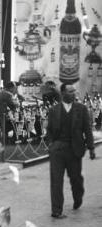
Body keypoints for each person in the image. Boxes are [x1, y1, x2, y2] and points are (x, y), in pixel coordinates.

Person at [46, 82, 95, 219]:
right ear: (62, 94)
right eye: (70, 92)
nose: (73, 94)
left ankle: (78, 198)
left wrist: (91, 147)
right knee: (56, 181)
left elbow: (87, 129)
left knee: (76, 179)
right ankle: (56, 210)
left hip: (75, 150)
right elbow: (49, 130)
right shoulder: (53, 110)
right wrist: (51, 145)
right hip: (57, 150)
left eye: (74, 91)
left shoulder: (81, 109)